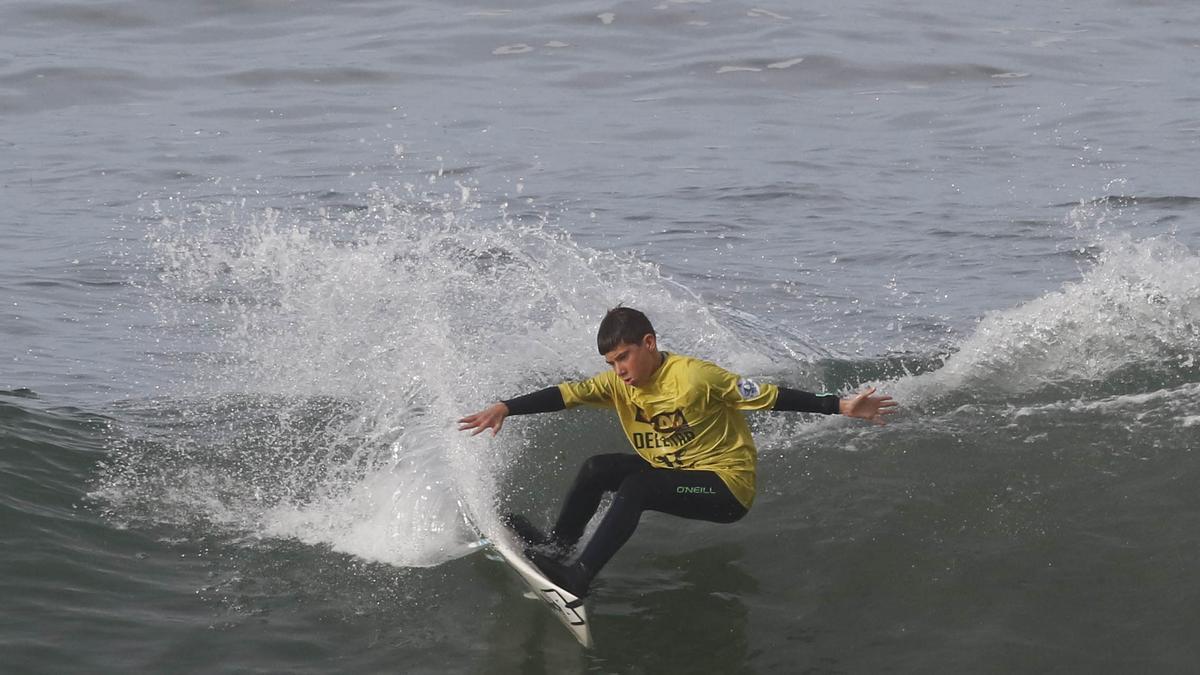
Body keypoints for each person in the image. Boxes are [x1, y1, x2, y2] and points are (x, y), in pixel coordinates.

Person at [458, 306, 896, 597]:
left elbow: (769, 395)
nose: (619, 370)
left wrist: (840, 406)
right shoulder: (617, 384)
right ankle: (558, 550)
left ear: (649, 343)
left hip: (725, 488)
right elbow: (566, 394)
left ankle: (580, 577)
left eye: (624, 357)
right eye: (611, 362)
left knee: (638, 486)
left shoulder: (695, 378)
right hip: (674, 469)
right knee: (596, 469)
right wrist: (506, 408)